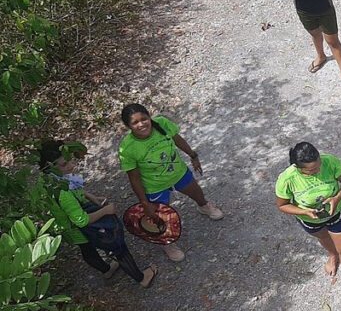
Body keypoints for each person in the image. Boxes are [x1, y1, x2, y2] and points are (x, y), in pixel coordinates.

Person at [40, 140, 157, 287]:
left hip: (71, 225)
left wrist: (91, 197)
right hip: (78, 224)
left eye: (70, 159)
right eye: (64, 164)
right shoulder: (62, 193)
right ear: (50, 167)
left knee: (87, 249)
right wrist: (105, 211)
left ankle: (106, 270)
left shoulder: (52, 180)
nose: (71, 165)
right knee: (117, 245)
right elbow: (81, 221)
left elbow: (74, 189)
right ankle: (141, 278)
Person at [118, 104, 223, 262]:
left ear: (149, 117)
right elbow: (134, 177)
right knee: (159, 218)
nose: (141, 124)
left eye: (144, 119)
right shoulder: (127, 148)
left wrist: (193, 155)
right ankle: (167, 242)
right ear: (128, 126)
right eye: (135, 122)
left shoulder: (162, 123)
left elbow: (177, 140)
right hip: (154, 186)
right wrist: (144, 202)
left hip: (178, 173)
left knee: (197, 193)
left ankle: (204, 207)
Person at [275, 142, 341, 295]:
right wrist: (304, 212)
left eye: (318, 165)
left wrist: (337, 198)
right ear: (298, 168)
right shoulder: (287, 179)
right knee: (325, 238)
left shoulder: (330, 162)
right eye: (312, 170)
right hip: (310, 220)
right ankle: (332, 255)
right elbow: (282, 205)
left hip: (337, 213)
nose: (318, 170)